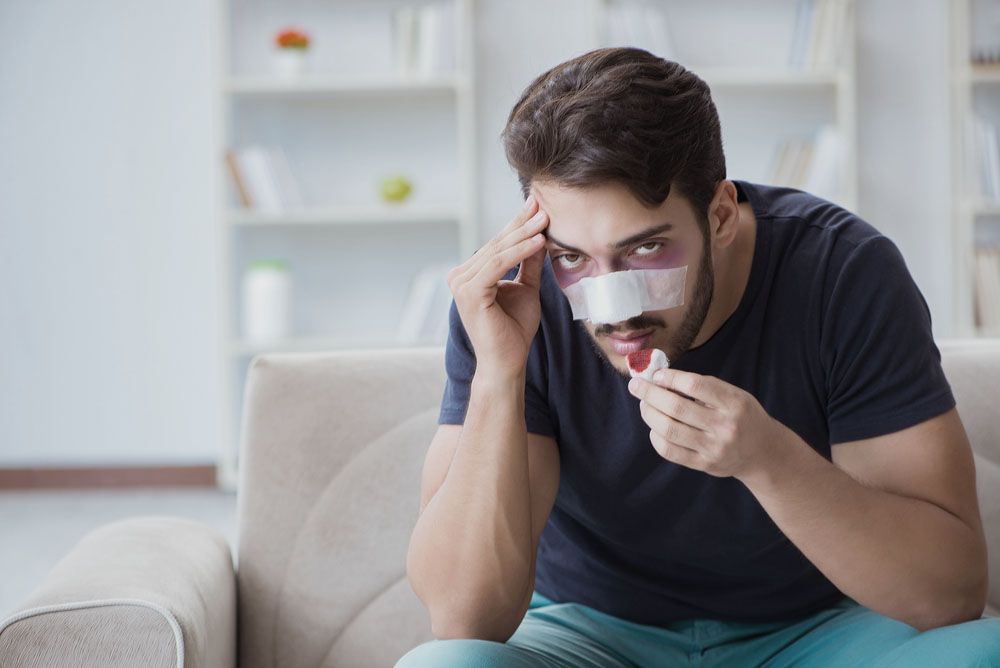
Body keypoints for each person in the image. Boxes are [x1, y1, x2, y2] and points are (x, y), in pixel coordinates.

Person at [398, 47, 1000, 667]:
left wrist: (768, 460)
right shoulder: (508, 301)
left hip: (819, 630)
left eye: (645, 248)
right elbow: (463, 620)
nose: (611, 309)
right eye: (573, 256)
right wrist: (501, 374)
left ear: (719, 215)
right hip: (587, 633)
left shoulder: (844, 272)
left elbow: (948, 595)